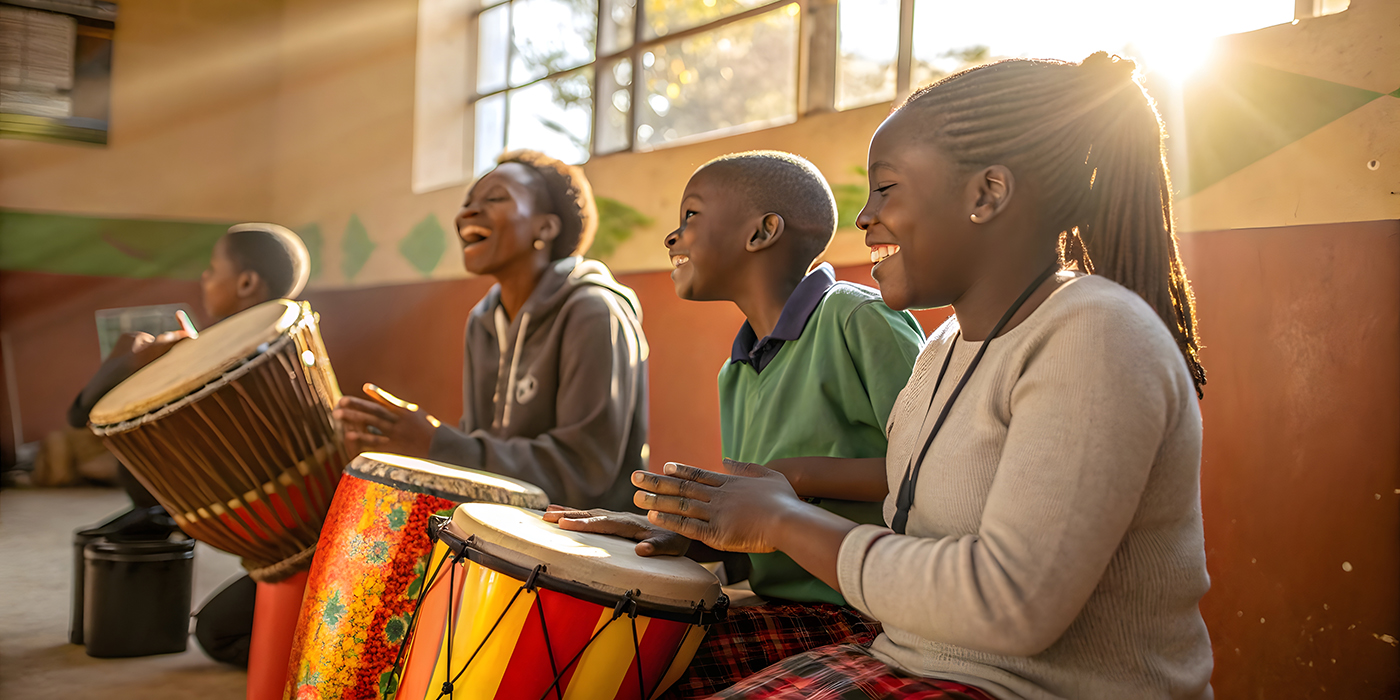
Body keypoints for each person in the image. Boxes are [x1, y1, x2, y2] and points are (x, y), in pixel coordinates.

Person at [628, 53, 1213, 699]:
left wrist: (783, 517)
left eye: (886, 188)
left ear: (986, 194)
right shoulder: (943, 349)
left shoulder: (1097, 334)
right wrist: (710, 525)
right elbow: (906, 523)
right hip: (912, 654)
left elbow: (1009, 604)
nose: (862, 217)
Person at [546, 151, 925, 698]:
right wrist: (685, 533)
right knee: (604, 668)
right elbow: (755, 540)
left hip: (863, 612)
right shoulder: (736, 371)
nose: (673, 238)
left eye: (692, 216)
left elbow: (932, 469)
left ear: (763, 231)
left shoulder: (857, 318)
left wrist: (795, 477)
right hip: (776, 604)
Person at [334, 150, 648, 512]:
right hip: (508, 532)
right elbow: (479, 447)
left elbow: (584, 473)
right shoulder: (483, 321)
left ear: (545, 227)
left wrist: (438, 444)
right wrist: (408, 445)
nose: (467, 212)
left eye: (495, 198)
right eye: (468, 202)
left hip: (588, 546)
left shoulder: (594, 311)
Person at [67, 222, 311, 668]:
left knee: (219, 633)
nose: (204, 277)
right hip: (281, 532)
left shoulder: (230, 362)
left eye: (212, 268)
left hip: (296, 541)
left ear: (246, 282)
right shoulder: (286, 346)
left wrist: (132, 361)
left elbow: (77, 414)